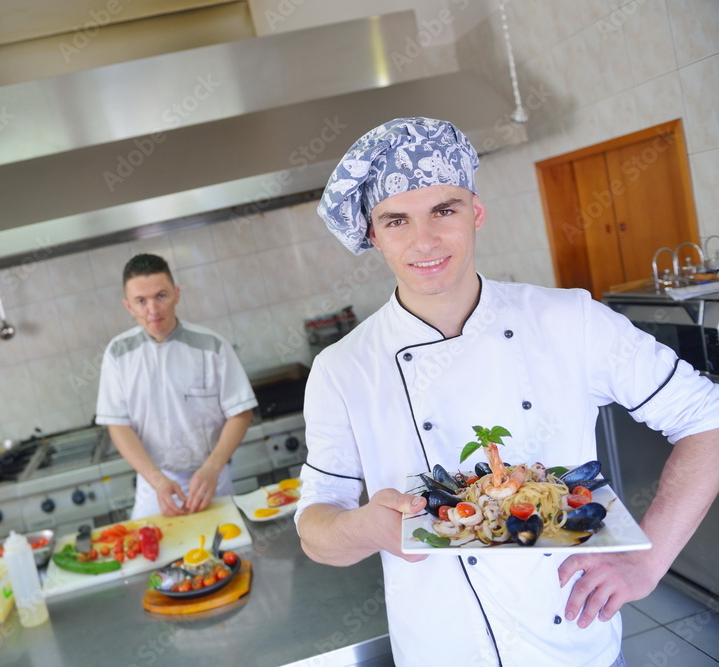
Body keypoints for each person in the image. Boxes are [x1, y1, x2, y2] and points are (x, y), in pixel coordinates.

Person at [295, 117, 719, 667]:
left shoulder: (570, 318)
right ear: (373, 235)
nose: (423, 241)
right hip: (440, 651)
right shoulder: (341, 369)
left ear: (476, 212)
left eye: (443, 211)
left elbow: (707, 419)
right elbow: (315, 530)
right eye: (396, 220)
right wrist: (363, 527)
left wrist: (649, 558)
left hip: (573, 644)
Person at [96, 254, 257, 519]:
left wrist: (212, 468)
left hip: (211, 478)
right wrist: (157, 481)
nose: (153, 309)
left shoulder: (212, 346)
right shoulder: (118, 353)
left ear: (176, 294)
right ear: (128, 306)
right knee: (159, 557)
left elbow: (241, 413)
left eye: (161, 296)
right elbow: (117, 425)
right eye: (141, 301)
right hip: (154, 485)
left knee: (229, 553)